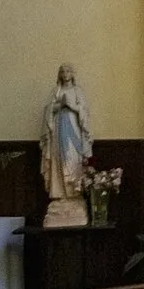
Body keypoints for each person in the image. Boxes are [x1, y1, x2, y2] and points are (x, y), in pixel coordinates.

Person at [40, 64, 93, 206]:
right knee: (58, 159)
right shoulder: (56, 91)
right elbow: (48, 110)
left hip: (73, 131)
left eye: (68, 71)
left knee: (72, 160)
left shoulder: (77, 91)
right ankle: (60, 194)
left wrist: (72, 106)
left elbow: (84, 112)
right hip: (58, 130)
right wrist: (59, 105)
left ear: (72, 73)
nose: (65, 74)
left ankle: (74, 194)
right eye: (62, 71)